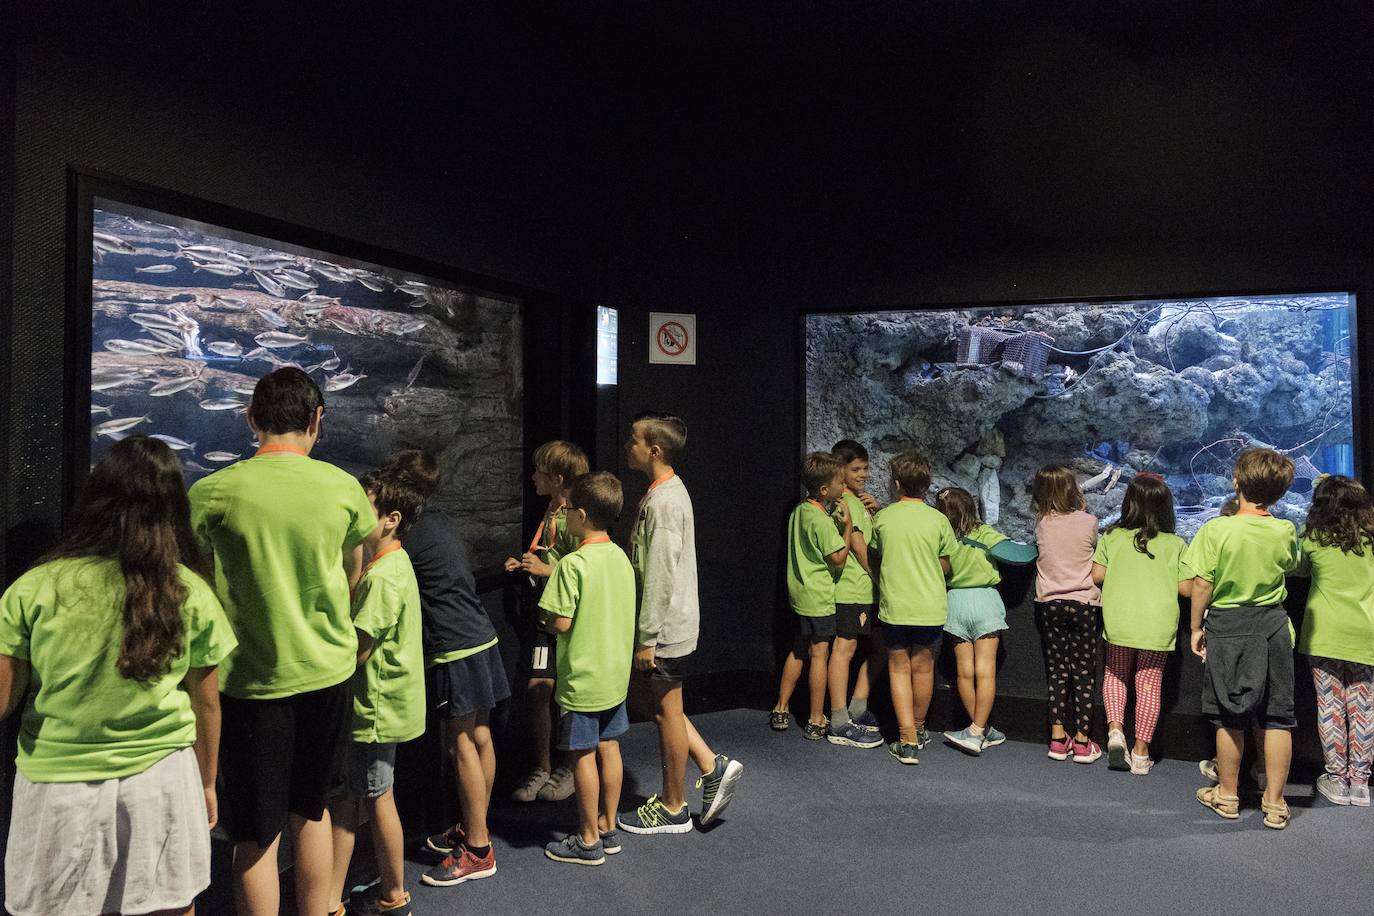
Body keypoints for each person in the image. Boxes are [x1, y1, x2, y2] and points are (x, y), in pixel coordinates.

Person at [0, 436, 235, 916]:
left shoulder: (34, 588)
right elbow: (206, 704)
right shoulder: (189, 589)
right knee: (171, 907)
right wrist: (207, 782)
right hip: (162, 782)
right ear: (173, 506)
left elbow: (3, 700)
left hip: (58, 787)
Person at [189, 367, 377, 916]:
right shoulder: (343, 487)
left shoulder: (212, 491)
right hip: (329, 674)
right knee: (312, 811)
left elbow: (192, 579)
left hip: (250, 684)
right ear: (318, 419)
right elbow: (355, 568)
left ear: (252, 419)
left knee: (255, 834)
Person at [376, 450, 508, 887]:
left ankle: (477, 850)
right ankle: (477, 827)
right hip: (482, 636)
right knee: (481, 736)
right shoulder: (441, 521)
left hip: (454, 647)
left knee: (461, 744)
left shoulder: (407, 532)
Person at [617, 412, 744, 834]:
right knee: (659, 706)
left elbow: (660, 574)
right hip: (665, 626)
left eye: (634, 440)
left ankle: (673, 806)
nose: (628, 445)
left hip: (666, 629)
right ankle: (711, 765)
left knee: (667, 710)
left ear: (654, 450)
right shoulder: (662, 494)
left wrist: (647, 638)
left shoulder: (667, 501)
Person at [327, 469, 427, 916]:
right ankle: (351, 895)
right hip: (381, 704)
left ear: (391, 519)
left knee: (374, 796)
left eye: (365, 507)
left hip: (374, 707)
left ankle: (391, 895)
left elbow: (360, 650)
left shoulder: (384, 577)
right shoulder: (392, 563)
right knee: (364, 795)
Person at [1186, 448, 1299, 829]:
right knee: (1277, 716)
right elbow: (1291, 565)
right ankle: (1275, 803)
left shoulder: (1217, 529)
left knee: (1228, 715)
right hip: (1273, 628)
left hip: (1229, 627)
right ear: (1280, 492)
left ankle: (1228, 795)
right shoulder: (1284, 530)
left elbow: (1201, 582)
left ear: (1236, 482)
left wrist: (1196, 628)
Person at [539, 472, 638, 865]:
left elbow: (560, 621)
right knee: (610, 748)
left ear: (580, 515)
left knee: (582, 756)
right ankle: (608, 827)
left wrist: (547, 619)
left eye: (566, 512)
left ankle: (587, 838)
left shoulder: (572, 564)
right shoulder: (620, 557)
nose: (562, 517)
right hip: (614, 677)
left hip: (582, 680)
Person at [1090, 473, 1192, 775]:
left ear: (1128, 503)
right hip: (1156, 627)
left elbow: (1097, 576)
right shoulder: (1175, 544)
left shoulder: (1112, 537)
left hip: (1120, 622)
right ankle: (1140, 753)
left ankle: (1115, 732)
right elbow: (1186, 589)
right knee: (1149, 685)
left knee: (1116, 675)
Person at [504, 441, 588, 804]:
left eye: (539, 471)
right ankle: (543, 765)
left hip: (568, 622)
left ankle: (568, 768)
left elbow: (586, 570)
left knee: (568, 696)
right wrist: (527, 563)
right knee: (539, 691)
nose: (532, 476)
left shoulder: (575, 517)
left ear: (556, 478)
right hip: (544, 619)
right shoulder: (552, 508)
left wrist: (545, 569)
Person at [868, 450, 956, 765]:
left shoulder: (884, 517)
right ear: (927, 484)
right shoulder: (939, 519)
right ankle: (918, 728)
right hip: (930, 608)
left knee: (898, 668)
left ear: (895, 483)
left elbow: (873, 555)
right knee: (923, 668)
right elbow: (946, 566)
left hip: (895, 608)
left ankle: (905, 739)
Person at [771, 453, 867, 745]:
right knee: (820, 655)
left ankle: (781, 707)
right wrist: (847, 526)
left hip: (799, 594)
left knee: (799, 648)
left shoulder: (801, 510)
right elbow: (838, 559)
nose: (844, 487)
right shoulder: (822, 521)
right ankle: (815, 718)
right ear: (825, 489)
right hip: (820, 597)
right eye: (840, 481)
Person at [935, 486, 1036, 755]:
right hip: (986, 602)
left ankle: (980, 729)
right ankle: (978, 730)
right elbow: (1022, 555)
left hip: (954, 603)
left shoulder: (941, 537)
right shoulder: (985, 533)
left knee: (964, 672)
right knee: (986, 670)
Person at [1293, 474, 1374, 808]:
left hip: (1325, 633)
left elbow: (1295, 569)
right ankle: (1361, 783)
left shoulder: (1313, 538)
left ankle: (1336, 779)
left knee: (1330, 706)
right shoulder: (1371, 539)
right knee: (1364, 708)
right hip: (1367, 634)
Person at [1032, 465, 1103, 764]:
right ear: (1073, 490)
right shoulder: (1089, 522)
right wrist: (1082, 509)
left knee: (1058, 672)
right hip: (1084, 604)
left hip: (1050, 605)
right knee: (1084, 673)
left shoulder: (1042, 525)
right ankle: (1084, 742)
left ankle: (1058, 739)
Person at [826, 439, 884, 742]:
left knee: (877, 647)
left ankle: (857, 708)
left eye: (865, 468)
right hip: (853, 589)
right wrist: (876, 578)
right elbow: (859, 546)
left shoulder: (852, 502)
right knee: (844, 649)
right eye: (856, 469)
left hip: (860, 592)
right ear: (841, 470)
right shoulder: (848, 504)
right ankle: (838, 720)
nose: (863, 474)